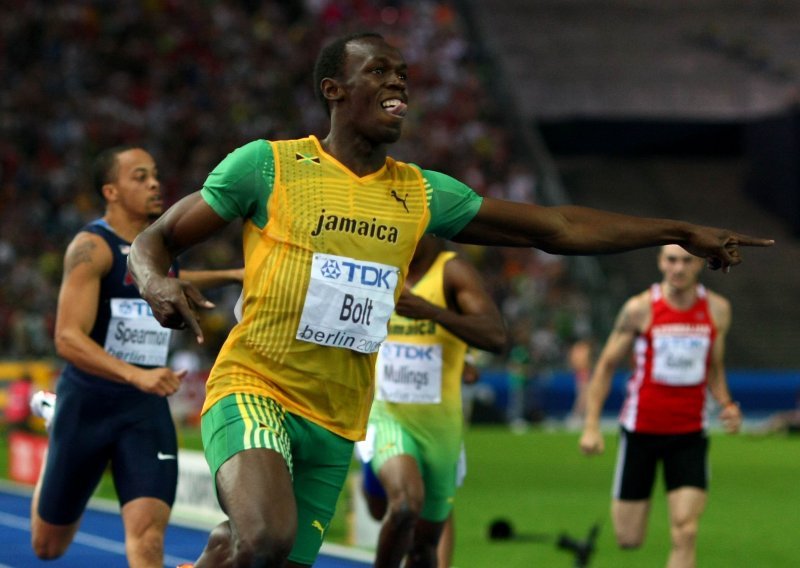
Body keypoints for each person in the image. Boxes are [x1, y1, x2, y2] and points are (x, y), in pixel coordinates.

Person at [126, 32, 772, 568]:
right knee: (267, 538)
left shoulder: (422, 192)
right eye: (378, 71)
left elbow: (556, 228)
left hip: (338, 416)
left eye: (404, 75)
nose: (398, 83)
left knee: (253, 551)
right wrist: (155, 281)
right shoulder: (267, 166)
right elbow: (154, 241)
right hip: (255, 385)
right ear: (334, 90)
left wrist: (677, 230)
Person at [29, 146, 242, 567]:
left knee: (147, 539)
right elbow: (67, 339)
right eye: (140, 177)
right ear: (110, 191)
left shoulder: (157, 251)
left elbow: (171, 277)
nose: (154, 184)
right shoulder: (92, 247)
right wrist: (134, 374)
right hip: (87, 405)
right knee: (47, 547)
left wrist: (232, 275)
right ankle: (56, 424)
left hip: (144, 410)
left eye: (155, 175)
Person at [579, 244, 743, 568]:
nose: (678, 268)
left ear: (699, 264)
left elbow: (714, 368)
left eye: (686, 261)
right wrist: (591, 425)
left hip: (689, 434)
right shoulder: (639, 308)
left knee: (686, 530)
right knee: (628, 538)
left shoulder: (717, 309)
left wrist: (726, 403)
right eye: (672, 260)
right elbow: (605, 366)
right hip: (641, 432)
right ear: (660, 262)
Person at [356, 235, 506, 567]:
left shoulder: (452, 273)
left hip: (441, 429)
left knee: (424, 545)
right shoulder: (378, 263)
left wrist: (431, 312)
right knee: (402, 506)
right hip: (387, 416)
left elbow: (495, 335)